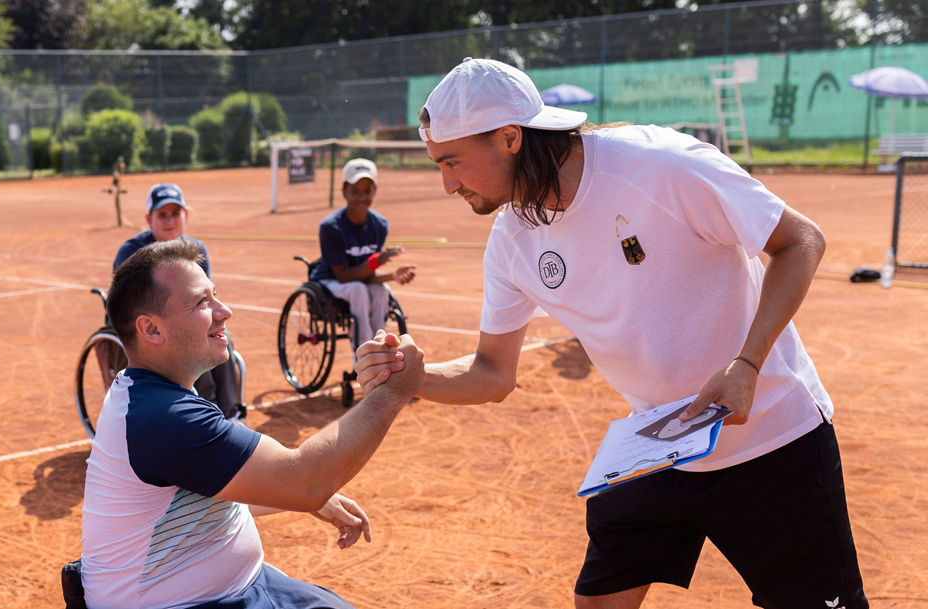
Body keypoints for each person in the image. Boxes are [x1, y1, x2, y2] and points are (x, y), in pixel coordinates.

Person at [356, 57, 867, 608]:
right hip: (659, 440)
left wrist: (746, 366)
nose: (447, 183)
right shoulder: (511, 240)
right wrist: (415, 378)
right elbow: (493, 372)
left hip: (772, 435)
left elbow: (801, 240)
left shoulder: (658, 167)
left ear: (509, 138)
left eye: (452, 162)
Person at [80, 239, 425, 609]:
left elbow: (201, 494)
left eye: (215, 296)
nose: (224, 311)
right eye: (202, 302)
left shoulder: (149, 394)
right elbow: (303, 479)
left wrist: (302, 498)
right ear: (151, 329)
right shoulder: (164, 418)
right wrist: (391, 393)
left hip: (238, 588)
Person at [111, 182, 242, 419]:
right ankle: (207, 411)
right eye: (162, 215)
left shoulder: (195, 250)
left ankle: (231, 414)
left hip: (185, 318)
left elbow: (203, 301)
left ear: (186, 216)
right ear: (149, 218)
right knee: (189, 339)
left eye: (175, 214)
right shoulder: (131, 252)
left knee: (223, 338)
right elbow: (128, 308)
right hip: (149, 328)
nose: (169, 221)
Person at [312, 159, 416, 351]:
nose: (362, 197)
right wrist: (378, 260)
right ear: (344, 192)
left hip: (357, 281)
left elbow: (366, 275)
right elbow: (343, 276)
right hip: (330, 281)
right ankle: (363, 354)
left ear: (374, 191)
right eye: (355, 191)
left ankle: (380, 347)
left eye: (367, 191)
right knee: (358, 289)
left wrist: (393, 275)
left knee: (382, 290)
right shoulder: (331, 227)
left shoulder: (380, 225)